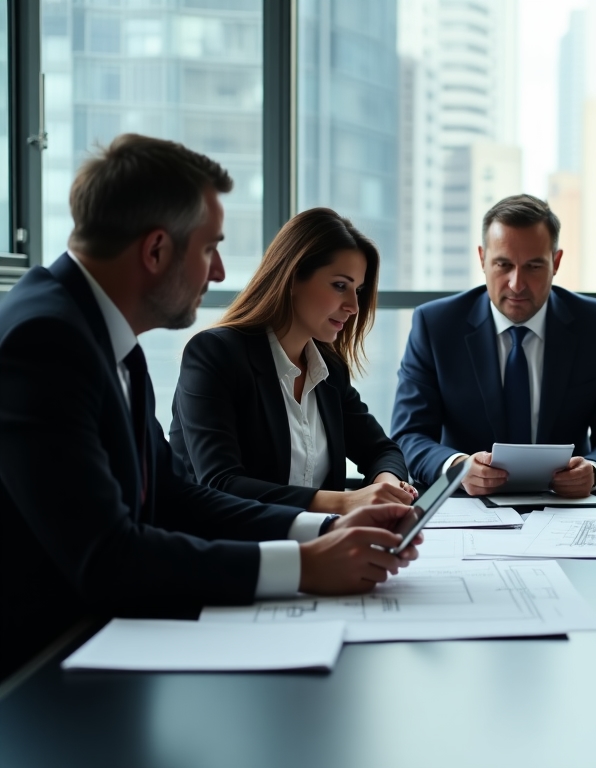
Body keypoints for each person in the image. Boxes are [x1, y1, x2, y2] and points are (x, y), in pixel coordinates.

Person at [0, 135, 419, 681]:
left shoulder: (103, 337)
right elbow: (107, 557)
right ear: (155, 251)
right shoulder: (46, 340)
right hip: (40, 678)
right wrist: (304, 566)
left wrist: (320, 533)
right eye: (207, 249)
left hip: (104, 647)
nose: (219, 272)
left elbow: (175, 497)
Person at [391, 193, 596, 497]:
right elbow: (408, 435)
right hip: (466, 507)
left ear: (556, 261)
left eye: (534, 266)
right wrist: (459, 467)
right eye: (503, 264)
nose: (516, 284)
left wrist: (595, 470)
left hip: (566, 507)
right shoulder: (435, 325)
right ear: (482, 259)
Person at [170, 208, 415, 514]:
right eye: (340, 285)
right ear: (292, 277)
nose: (353, 305)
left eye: (359, 290)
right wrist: (346, 503)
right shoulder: (215, 354)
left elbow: (382, 449)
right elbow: (221, 483)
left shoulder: (329, 369)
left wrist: (386, 483)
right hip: (231, 550)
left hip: (322, 545)